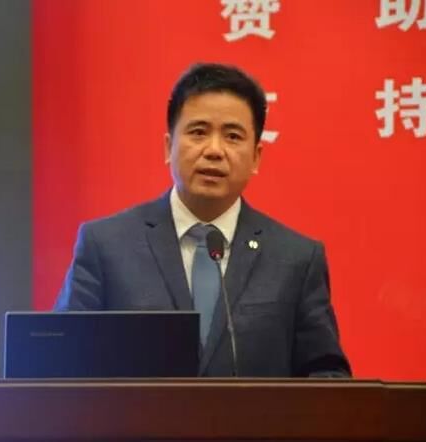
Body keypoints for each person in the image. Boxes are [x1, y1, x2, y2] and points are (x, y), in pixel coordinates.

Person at [54, 63, 351, 377]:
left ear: (256, 157)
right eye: (198, 132)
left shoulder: (296, 259)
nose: (214, 150)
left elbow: (327, 374)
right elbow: (59, 365)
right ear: (168, 146)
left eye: (233, 136)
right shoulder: (106, 246)